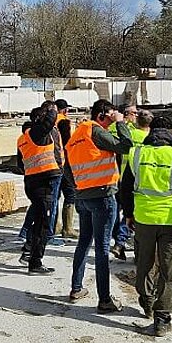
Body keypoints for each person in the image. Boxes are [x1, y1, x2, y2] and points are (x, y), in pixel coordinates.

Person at [121, 126, 172, 336]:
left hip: (144, 220)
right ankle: (162, 320)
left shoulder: (137, 154)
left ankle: (147, 303)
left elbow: (126, 188)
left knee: (145, 264)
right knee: (168, 272)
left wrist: (128, 215)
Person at [65, 100, 133, 311]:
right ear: (102, 114)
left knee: (84, 242)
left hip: (84, 196)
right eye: (111, 114)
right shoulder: (96, 131)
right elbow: (126, 145)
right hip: (103, 196)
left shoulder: (78, 134)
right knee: (102, 248)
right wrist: (120, 123)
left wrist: (78, 187)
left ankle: (77, 288)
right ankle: (104, 300)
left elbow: (67, 168)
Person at [16, 106, 62, 275]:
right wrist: (52, 109)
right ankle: (35, 262)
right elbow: (50, 119)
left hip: (32, 182)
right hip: (43, 183)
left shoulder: (23, 138)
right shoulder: (37, 132)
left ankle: (30, 254)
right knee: (43, 225)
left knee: (38, 222)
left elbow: (20, 164)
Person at [110, 109, 152, 261]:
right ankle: (122, 242)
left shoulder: (128, 134)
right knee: (134, 214)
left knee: (120, 210)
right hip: (140, 179)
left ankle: (117, 240)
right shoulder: (149, 138)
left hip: (122, 176)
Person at [53, 99, 77, 240]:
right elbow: (69, 143)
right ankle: (67, 228)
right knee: (70, 194)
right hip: (65, 163)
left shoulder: (50, 122)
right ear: (65, 110)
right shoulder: (65, 122)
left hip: (54, 163)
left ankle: (55, 225)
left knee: (55, 196)